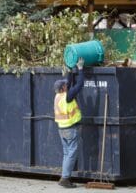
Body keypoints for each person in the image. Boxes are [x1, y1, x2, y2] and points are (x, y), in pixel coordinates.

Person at [53, 58, 84, 188]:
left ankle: (64, 177)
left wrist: (71, 71)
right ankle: (65, 178)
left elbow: (69, 83)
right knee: (71, 153)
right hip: (70, 129)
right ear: (63, 88)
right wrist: (81, 69)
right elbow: (79, 85)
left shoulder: (58, 96)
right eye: (65, 85)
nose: (67, 85)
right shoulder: (68, 96)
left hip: (62, 129)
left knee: (67, 153)